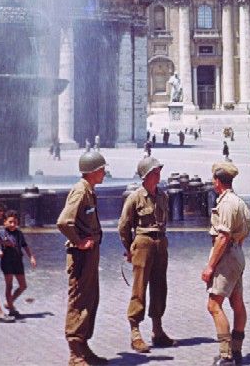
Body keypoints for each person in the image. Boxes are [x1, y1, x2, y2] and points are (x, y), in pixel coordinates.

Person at [118, 156, 176, 354]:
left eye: (159, 171)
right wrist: (129, 248)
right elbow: (124, 226)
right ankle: (135, 333)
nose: (158, 175)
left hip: (160, 243)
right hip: (142, 244)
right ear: (145, 176)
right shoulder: (135, 197)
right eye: (154, 172)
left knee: (160, 287)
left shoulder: (163, 196)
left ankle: (157, 331)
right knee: (139, 289)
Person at [57, 150, 108, 366]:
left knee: (90, 299)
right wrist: (78, 242)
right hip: (80, 256)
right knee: (79, 300)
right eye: (102, 170)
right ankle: (75, 353)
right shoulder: (80, 192)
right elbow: (63, 222)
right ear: (93, 172)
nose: (104, 173)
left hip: (89, 255)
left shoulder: (89, 190)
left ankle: (84, 347)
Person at [201, 161, 250, 365]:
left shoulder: (227, 203)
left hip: (226, 256)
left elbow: (223, 237)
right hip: (236, 254)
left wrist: (210, 266)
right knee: (237, 302)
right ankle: (236, 351)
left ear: (217, 181)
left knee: (213, 305)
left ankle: (226, 355)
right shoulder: (238, 201)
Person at [0, 210, 36, 316]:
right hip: (7, 262)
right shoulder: (2, 232)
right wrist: (3, 243)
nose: (13, 224)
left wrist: (31, 257)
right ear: (4, 222)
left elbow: (25, 245)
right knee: (9, 286)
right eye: (10, 222)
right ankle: (11, 309)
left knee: (23, 285)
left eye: (15, 222)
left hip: (18, 261)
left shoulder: (19, 233)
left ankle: (9, 302)